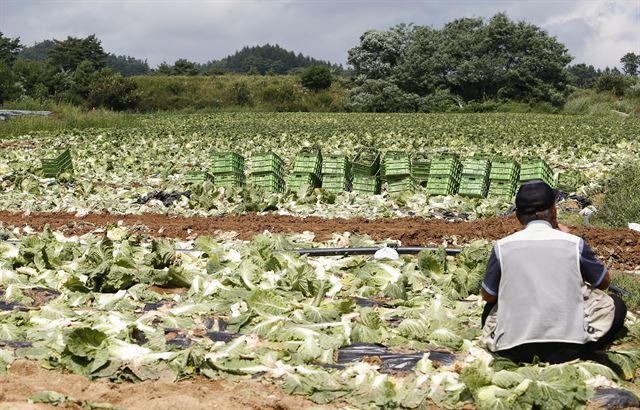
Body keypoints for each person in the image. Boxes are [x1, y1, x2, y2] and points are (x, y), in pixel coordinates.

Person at [479, 179, 627, 364]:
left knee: (489, 310)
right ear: (554, 212)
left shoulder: (502, 247)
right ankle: (589, 348)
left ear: (517, 216)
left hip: (514, 350)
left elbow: (488, 296)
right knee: (617, 305)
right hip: (570, 349)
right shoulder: (573, 243)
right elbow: (603, 283)